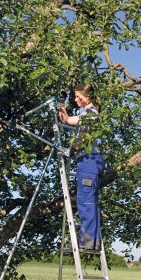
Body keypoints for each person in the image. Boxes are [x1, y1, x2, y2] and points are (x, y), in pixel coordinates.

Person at [58, 84, 105, 251]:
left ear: (88, 96)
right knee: (89, 200)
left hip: (89, 160)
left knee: (86, 201)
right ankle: (93, 240)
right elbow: (66, 120)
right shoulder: (85, 114)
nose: (76, 100)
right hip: (88, 161)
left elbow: (84, 136)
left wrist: (71, 150)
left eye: (79, 97)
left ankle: (88, 241)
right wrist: (61, 106)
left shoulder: (91, 115)